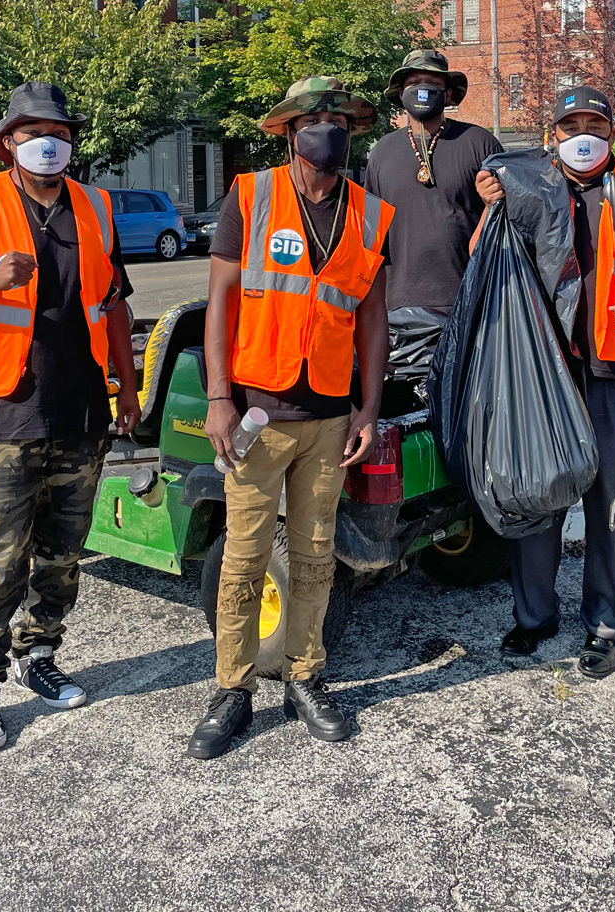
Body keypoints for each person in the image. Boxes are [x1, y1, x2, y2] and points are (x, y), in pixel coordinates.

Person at [0, 81, 141, 751]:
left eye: (62, 131)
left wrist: (127, 388)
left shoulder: (95, 206)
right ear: (8, 141)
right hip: (1, 414)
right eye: (34, 131)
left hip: (80, 410)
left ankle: (38, 657)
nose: (50, 142)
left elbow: (115, 304)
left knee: (64, 555)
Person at [189, 76, 394, 760]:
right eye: (314, 118)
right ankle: (232, 690)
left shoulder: (369, 212)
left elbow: (371, 319)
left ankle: (306, 676)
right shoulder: (248, 198)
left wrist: (368, 406)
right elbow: (220, 302)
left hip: (330, 415)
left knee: (312, 557)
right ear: (288, 131)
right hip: (257, 412)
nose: (328, 127)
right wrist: (219, 397)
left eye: (339, 118)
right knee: (245, 558)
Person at [474, 86, 615, 677]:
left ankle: (605, 626)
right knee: (537, 492)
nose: (582, 134)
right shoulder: (526, 187)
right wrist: (491, 204)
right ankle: (535, 616)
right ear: (554, 136)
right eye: (571, 126)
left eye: (594, 123)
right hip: (545, 374)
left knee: (614, 502)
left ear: (613, 132)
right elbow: (482, 256)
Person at [365, 49, 502, 313]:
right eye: (414, 84)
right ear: (401, 93)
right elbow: (372, 235)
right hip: (398, 304)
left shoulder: (480, 143)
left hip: (470, 300)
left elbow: (505, 222)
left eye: (433, 84)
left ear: (448, 95)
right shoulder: (383, 150)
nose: (422, 91)